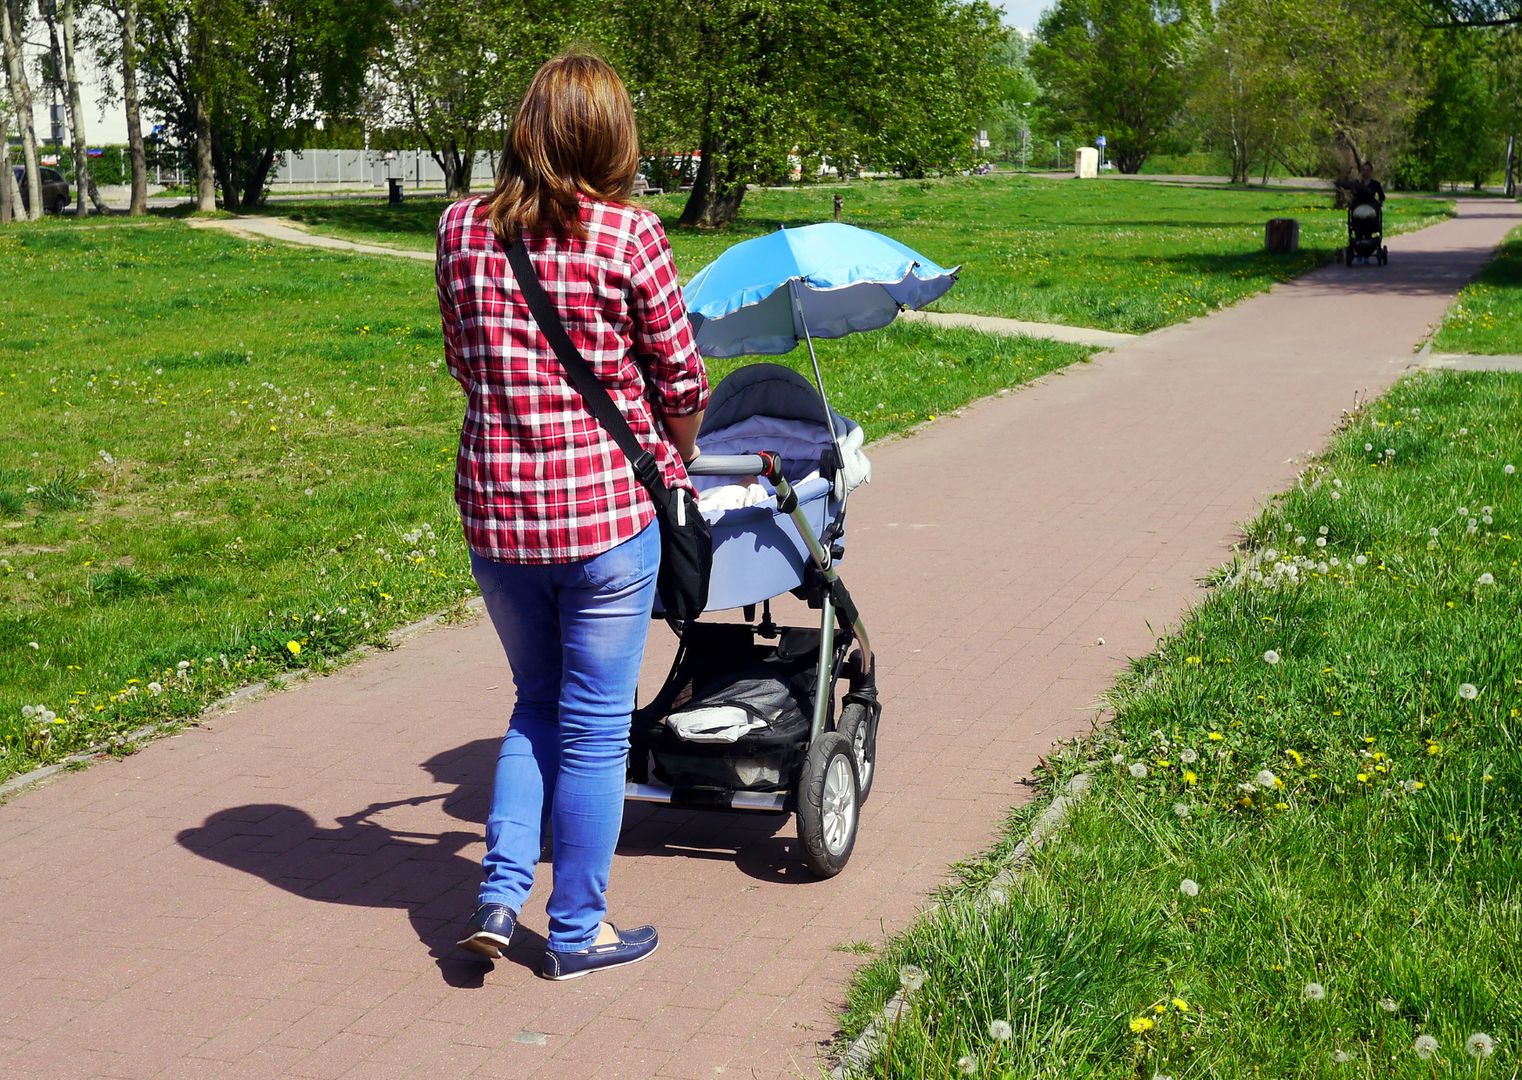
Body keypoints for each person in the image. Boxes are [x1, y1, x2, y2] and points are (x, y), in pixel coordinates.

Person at [435, 51, 708, 980]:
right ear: (611, 135)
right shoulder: (630, 237)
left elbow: (461, 362)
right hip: (602, 518)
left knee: (533, 705)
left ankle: (501, 895)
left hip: (498, 516)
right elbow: (682, 383)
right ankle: (577, 927)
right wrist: (676, 441)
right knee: (594, 727)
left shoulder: (458, 230)